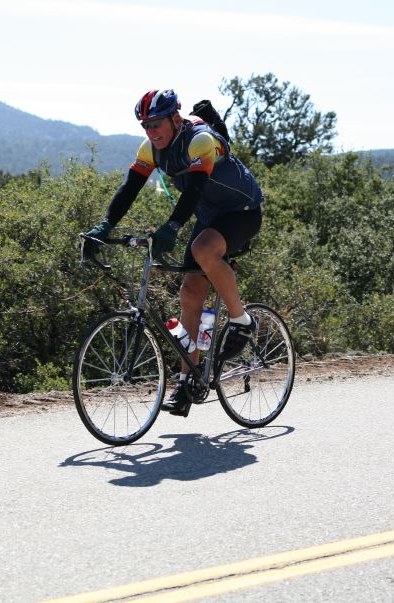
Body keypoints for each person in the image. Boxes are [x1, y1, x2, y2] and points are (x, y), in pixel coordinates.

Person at [84, 89, 264, 418]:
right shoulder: (151, 148)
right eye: (145, 126)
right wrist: (104, 226)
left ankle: (242, 320)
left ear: (175, 118)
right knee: (190, 293)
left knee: (202, 248)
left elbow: (194, 189)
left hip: (243, 210)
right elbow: (129, 189)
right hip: (210, 217)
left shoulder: (200, 140)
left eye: (157, 124)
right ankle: (187, 381)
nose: (152, 131)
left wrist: (172, 227)